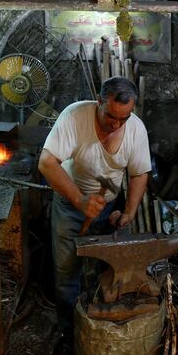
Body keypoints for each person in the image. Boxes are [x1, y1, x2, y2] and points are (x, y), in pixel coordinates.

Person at [38, 76, 151, 326]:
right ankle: (70, 331)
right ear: (99, 101)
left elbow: (139, 172)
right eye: (111, 116)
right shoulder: (75, 117)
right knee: (67, 271)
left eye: (124, 118)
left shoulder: (135, 129)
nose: (116, 124)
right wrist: (79, 200)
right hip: (70, 204)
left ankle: (103, 327)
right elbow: (46, 162)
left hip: (109, 206)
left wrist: (130, 211)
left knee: (112, 268)